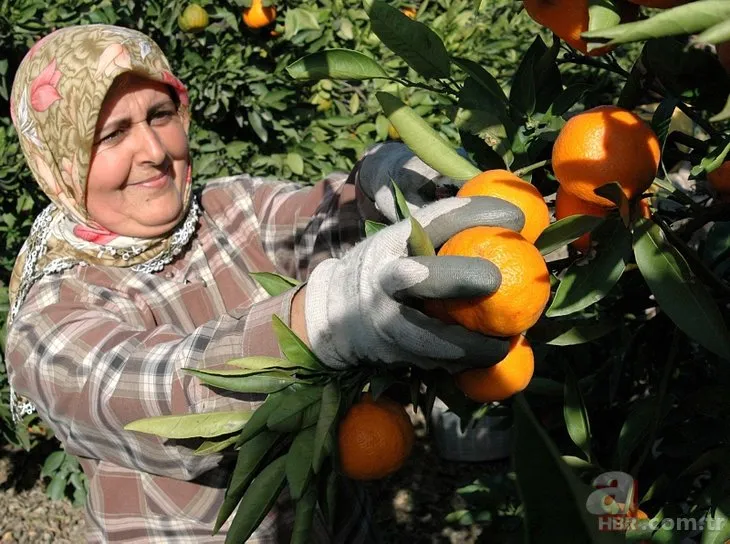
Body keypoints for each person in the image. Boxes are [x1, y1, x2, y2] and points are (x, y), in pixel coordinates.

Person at [4, 24, 524, 543]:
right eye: (113, 133)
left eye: (160, 115)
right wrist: (328, 316)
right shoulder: (50, 316)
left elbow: (318, 222)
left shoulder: (229, 208)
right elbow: (170, 396)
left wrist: (378, 184)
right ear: (61, 161)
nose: (154, 151)